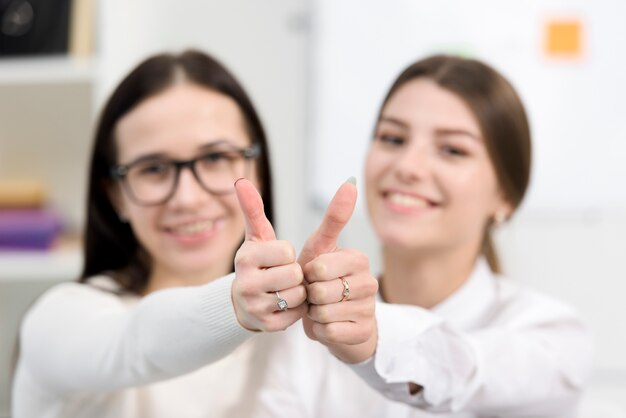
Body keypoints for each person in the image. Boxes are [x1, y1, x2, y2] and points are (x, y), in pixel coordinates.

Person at [11, 49, 378, 418]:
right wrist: (237, 306)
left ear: (259, 170)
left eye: (215, 158)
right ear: (116, 196)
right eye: (153, 168)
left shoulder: (308, 335)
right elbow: (135, 344)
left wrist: (366, 339)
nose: (187, 198)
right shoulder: (61, 320)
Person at [254, 54, 593, 417]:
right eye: (393, 138)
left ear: (506, 196)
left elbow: (472, 371)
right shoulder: (305, 341)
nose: (407, 167)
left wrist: (374, 339)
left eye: (452, 149)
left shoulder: (552, 335)